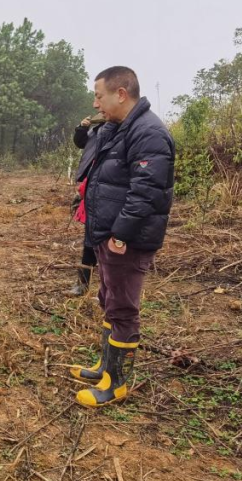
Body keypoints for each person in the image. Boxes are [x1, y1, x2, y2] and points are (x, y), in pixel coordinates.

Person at [70, 67, 175, 408]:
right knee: (109, 298)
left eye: (99, 95)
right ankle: (104, 366)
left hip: (125, 238)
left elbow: (146, 192)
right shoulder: (117, 129)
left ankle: (115, 384)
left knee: (124, 308)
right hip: (107, 232)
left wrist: (120, 234)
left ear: (121, 94)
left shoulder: (149, 134)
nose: (95, 102)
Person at [68, 111, 107, 296]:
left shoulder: (122, 132)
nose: (96, 107)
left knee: (108, 243)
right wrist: (82, 128)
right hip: (93, 190)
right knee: (90, 240)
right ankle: (83, 285)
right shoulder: (96, 130)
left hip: (109, 196)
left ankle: (110, 289)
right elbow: (80, 143)